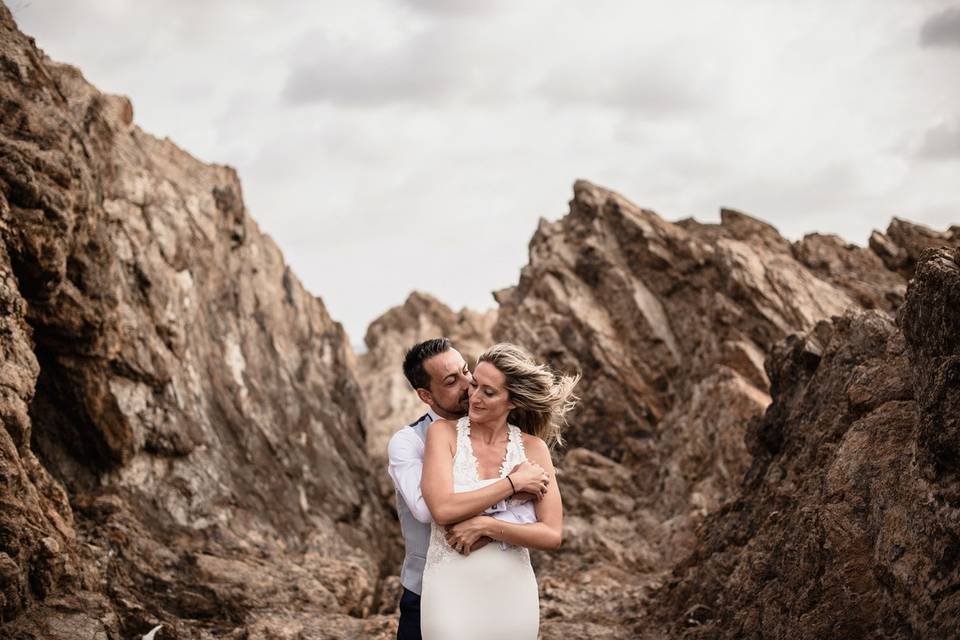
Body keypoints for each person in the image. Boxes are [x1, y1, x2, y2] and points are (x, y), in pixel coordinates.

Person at [387, 338, 550, 640]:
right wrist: (510, 487)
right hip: (428, 590)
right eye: (452, 381)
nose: (468, 386)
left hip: (500, 587)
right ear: (426, 395)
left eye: (466, 372)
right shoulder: (410, 442)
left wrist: (486, 526)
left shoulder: (513, 436)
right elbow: (429, 510)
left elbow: (543, 524)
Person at [420, 343, 579, 639]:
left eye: (489, 392)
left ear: (513, 401)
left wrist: (487, 525)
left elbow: (551, 534)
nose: (474, 397)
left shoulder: (533, 449)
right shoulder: (443, 434)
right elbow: (442, 509)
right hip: (449, 589)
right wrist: (512, 484)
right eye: (475, 385)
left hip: (511, 593)